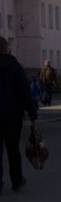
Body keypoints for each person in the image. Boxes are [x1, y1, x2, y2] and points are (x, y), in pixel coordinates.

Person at [0, 36, 38, 193]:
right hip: (12, 115)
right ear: (7, 49)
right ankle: (17, 180)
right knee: (13, 149)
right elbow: (24, 92)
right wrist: (32, 114)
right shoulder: (15, 66)